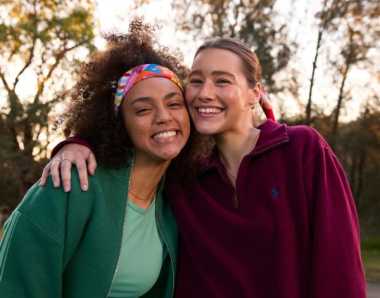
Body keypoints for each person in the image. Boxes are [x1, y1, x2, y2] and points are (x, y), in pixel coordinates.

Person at [39, 38, 366, 297]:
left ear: (254, 93)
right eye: (195, 81)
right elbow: (132, 138)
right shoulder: (184, 177)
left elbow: (340, 267)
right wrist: (75, 143)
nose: (205, 93)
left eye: (222, 81)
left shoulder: (301, 149)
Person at [0, 21, 199, 298]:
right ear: (119, 122)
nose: (164, 116)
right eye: (142, 110)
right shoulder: (70, 183)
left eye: (174, 104)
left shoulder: (173, 202)